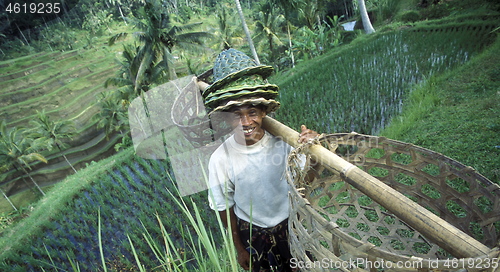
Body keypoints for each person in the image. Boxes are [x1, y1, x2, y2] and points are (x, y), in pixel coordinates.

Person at [204, 49, 318, 271]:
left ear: (264, 111)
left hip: (292, 226)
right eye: (236, 114)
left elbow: (308, 180)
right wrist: (239, 247)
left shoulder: (285, 143)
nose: (246, 122)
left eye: (252, 112)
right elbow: (224, 208)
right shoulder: (220, 159)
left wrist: (312, 153)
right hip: (254, 235)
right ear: (226, 118)